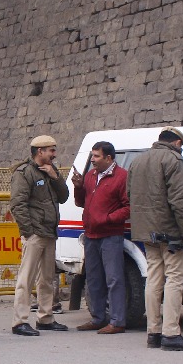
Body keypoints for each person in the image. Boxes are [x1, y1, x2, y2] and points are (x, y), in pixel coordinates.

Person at [127, 127, 183, 351]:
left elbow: (130, 194)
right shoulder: (174, 160)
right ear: (177, 143)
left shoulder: (138, 161)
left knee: (153, 279)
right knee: (175, 281)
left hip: (146, 231)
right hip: (170, 232)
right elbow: (180, 201)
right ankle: (171, 333)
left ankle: (153, 332)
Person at [10, 134, 70, 336]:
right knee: (26, 278)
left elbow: (64, 197)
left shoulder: (50, 172)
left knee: (46, 278)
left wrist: (55, 176)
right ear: (39, 152)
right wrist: (28, 231)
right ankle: (19, 321)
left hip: (49, 232)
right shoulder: (25, 173)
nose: (54, 154)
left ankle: (45, 317)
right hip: (35, 233)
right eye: (51, 150)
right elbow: (18, 205)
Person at [71, 140, 130, 334]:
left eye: (96, 156)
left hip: (110, 235)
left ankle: (117, 321)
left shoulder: (122, 177)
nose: (92, 160)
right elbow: (81, 202)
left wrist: (108, 219)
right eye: (92, 155)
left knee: (114, 279)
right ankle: (97, 318)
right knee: (94, 278)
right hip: (91, 234)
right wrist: (78, 187)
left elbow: (128, 206)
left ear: (109, 158)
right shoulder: (90, 176)